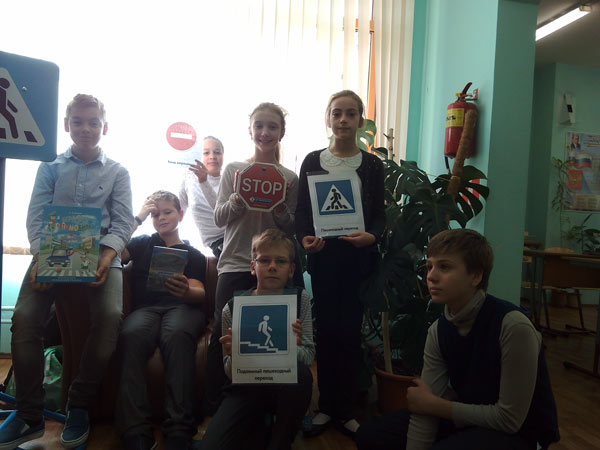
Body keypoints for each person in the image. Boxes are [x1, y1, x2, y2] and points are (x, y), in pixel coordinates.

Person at [0, 94, 133, 449]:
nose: (86, 128)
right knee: (25, 318)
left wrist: (107, 256)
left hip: (102, 252)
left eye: (93, 122)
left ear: (104, 127)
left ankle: (79, 405)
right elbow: (35, 216)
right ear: (66, 125)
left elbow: (122, 223)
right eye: (78, 121)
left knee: (110, 316)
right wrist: (42, 258)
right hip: (52, 250)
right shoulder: (50, 167)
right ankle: (29, 414)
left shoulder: (118, 172)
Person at [355, 229, 560, 450]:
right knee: (370, 435)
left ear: (476, 276)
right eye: (430, 266)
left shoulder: (512, 326)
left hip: (518, 433)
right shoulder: (439, 330)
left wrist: (438, 406)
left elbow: (509, 420)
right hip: (468, 418)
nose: (431, 276)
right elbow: (425, 408)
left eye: (444, 267)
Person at [295, 89, 385, 438]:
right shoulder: (312, 161)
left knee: (349, 334)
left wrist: (371, 237)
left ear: (361, 120)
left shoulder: (372, 165)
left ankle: (345, 409)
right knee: (327, 333)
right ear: (328, 119)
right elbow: (303, 212)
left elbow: (379, 216)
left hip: (357, 261)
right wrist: (306, 238)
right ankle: (326, 407)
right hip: (323, 259)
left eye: (350, 113)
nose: (343, 120)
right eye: (337, 113)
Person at [204, 102, 299, 415]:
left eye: (272, 126)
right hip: (234, 262)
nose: (265, 132)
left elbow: (292, 228)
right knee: (223, 335)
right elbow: (219, 218)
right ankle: (215, 408)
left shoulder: (289, 178)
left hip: (271, 266)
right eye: (259, 126)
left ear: (281, 133)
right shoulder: (234, 170)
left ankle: (265, 408)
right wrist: (236, 202)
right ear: (250, 131)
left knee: (272, 339)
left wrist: (281, 213)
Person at [199, 229, 314, 450]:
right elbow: (229, 371)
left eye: (281, 261)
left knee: (302, 376)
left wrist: (294, 347)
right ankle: (261, 424)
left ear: (291, 270)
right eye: (264, 260)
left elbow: (308, 356)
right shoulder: (233, 308)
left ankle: (281, 440)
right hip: (245, 388)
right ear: (253, 267)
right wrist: (234, 356)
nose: (272, 266)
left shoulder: (300, 300)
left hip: (286, 385)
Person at [115, 190, 207, 450]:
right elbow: (115, 253)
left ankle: (179, 429)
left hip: (182, 308)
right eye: (155, 214)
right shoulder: (142, 243)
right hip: (146, 309)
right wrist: (138, 218)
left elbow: (200, 291)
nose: (161, 218)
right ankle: (135, 431)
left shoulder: (193, 254)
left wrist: (186, 291)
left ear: (181, 214)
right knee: (130, 335)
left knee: (176, 334)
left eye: (167, 212)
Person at [179, 136, 226, 258]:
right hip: (218, 242)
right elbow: (178, 212)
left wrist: (203, 182)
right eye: (206, 153)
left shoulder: (229, 179)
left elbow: (223, 213)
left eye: (217, 152)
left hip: (237, 234)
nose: (212, 156)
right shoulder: (189, 178)